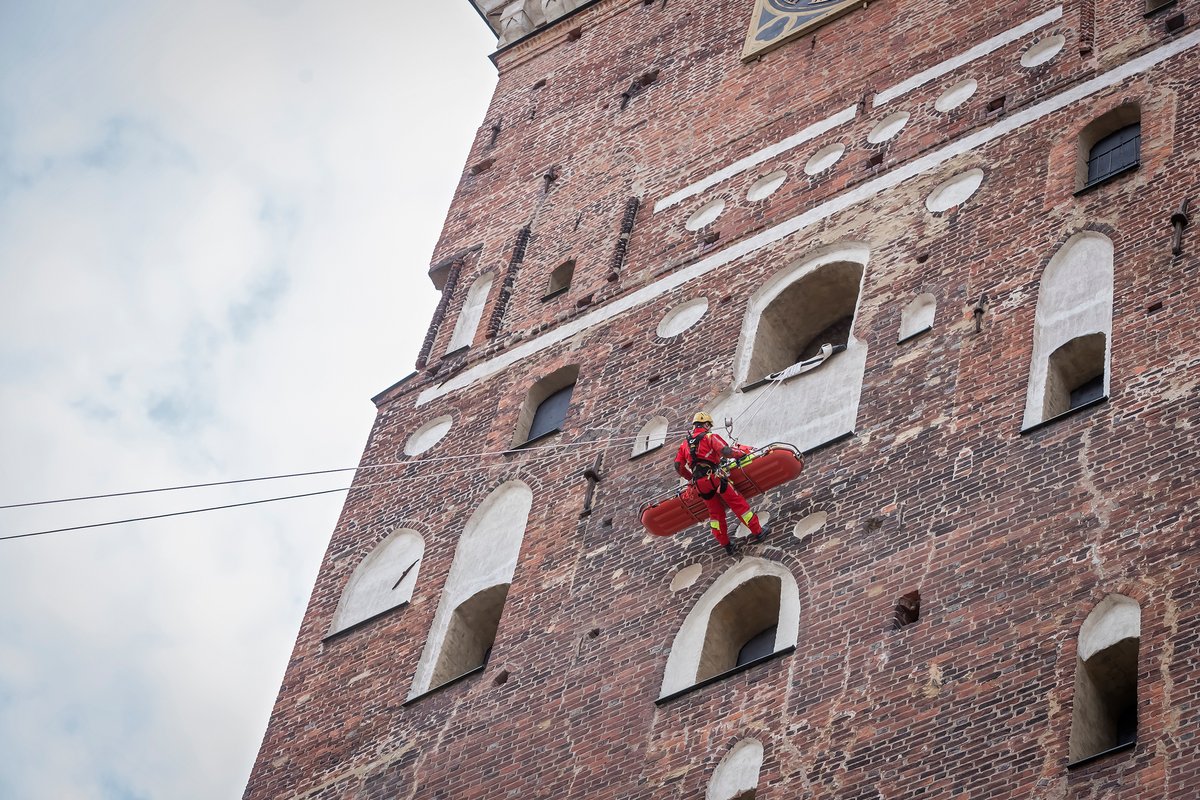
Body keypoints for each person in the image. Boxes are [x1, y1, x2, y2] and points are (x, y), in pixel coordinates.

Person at [674, 412, 769, 556]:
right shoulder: (709, 437)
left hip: (700, 484)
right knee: (739, 505)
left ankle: (727, 545)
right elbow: (726, 451)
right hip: (715, 477)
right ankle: (758, 532)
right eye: (709, 426)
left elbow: (678, 466)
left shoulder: (684, 444)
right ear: (706, 425)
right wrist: (741, 454)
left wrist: (690, 478)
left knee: (715, 515)